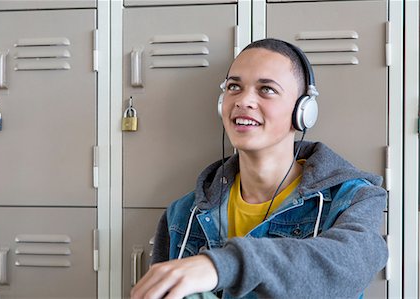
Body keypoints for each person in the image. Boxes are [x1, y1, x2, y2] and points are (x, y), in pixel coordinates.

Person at [130, 38, 388, 299]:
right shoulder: (183, 214)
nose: (244, 101)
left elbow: (352, 263)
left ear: (303, 111)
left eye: (267, 89)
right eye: (234, 87)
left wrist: (222, 265)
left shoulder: (354, 197)